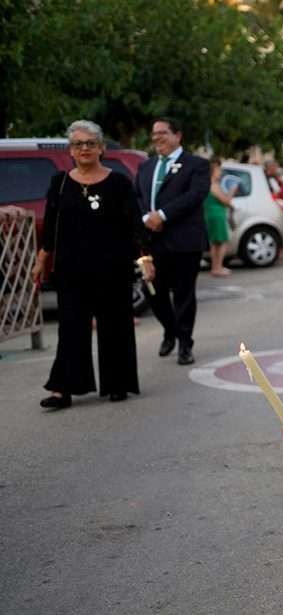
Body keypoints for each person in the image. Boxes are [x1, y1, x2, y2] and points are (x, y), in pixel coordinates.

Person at [31, 120, 153, 409]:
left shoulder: (119, 183)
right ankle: (63, 389)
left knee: (116, 326)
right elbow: (51, 227)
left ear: (101, 148)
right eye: (77, 144)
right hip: (71, 269)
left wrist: (145, 258)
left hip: (114, 267)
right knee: (71, 328)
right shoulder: (59, 183)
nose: (84, 149)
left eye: (90, 143)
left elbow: (135, 224)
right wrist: (41, 260)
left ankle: (117, 383)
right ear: (70, 150)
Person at [134, 116, 211, 366]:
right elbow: (136, 197)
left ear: (177, 136)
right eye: (154, 133)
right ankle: (171, 329)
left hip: (184, 240)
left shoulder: (196, 165)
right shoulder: (146, 167)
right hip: (152, 241)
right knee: (152, 291)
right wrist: (146, 217)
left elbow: (196, 195)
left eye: (163, 133)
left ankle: (185, 344)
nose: (157, 137)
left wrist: (163, 216)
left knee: (184, 294)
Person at [204, 158, 236, 277]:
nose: (221, 172)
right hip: (217, 215)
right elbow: (226, 201)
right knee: (221, 242)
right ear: (213, 171)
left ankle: (216, 267)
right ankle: (217, 267)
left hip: (211, 215)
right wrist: (232, 190)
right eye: (219, 170)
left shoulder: (208, 184)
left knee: (215, 242)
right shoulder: (214, 185)